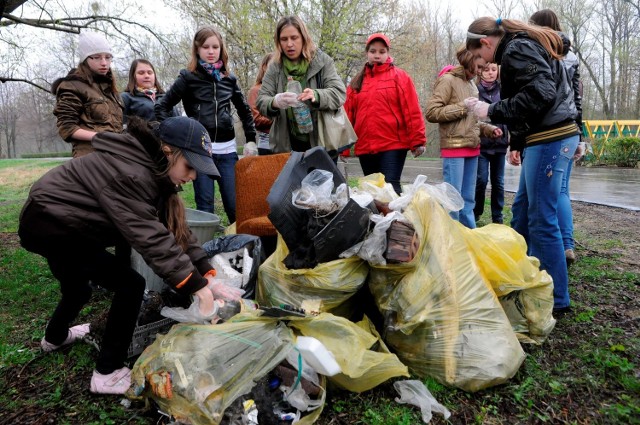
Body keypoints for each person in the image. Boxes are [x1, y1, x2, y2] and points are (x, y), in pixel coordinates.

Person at [18, 116, 221, 395]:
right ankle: (107, 372)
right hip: (54, 224)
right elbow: (152, 238)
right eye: (190, 166)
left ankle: (54, 338)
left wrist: (206, 271)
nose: (193, 176)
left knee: (78, 289)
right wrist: (197, 287)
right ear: (167, 151)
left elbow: (175, 232)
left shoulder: (152, 170)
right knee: (131, 285)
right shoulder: (132, 173)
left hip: (56, 223)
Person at [465, 17, 580, 313]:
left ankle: (555, 299)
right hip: (546, 136)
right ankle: (522, 276)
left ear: (486, 42)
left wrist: (491, 109)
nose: (483, 64)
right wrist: (517, 142)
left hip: (550, 137)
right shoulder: (523, 45)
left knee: (542, 217)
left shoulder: (516, 49)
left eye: (480, 57)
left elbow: (541, 93)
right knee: (523, 212)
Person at [155, 26, 257, 224]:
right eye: (205, 47)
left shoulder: (229, 79)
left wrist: (251, 139)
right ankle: (206, 250)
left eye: (215, 47)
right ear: (197, 49)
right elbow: (162, 105)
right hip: (201, 151)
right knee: (205, 205)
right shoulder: (187, 78)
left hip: (227, 151)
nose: (211, 51)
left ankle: (242, 245)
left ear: (221, 49)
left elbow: (245, 111)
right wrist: (167, 133)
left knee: (234, 204)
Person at [530, 9, 585, 266]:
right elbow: (577, 97)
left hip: (549, 132)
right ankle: (567, 245)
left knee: (546, 196)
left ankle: (553, 249)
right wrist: (579, 134)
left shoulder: (542, 52)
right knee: (562, 191)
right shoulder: (571, 55)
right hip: (570, 131)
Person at [425, 47, 502, 228]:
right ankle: (451, 238)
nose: (482, 70)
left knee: (468, 199)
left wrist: (489, 129)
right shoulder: (447, 80)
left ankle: (468, 236)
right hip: (454, 148)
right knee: (453, 198)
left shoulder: (472, 85)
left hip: (472, 147)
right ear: (470, 60)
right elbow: (432, 112)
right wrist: (462, 106)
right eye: (480, 65)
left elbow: (471, 120)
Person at [343, 33, 426, 195]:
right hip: (366, 146)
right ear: (367, 53)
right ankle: (376, 221)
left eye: (382, 51)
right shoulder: (356, 82)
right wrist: (344, 147)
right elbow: (348, 116)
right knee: (372, 191)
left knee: (390, 188)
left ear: (388, 53)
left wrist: (417, 141)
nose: (377, 55)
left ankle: (395, 220)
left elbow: (411, 110)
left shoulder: (400, 77)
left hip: (393, 144)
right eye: (373, 51)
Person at [256, 15, 347, 153]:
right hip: (288, 144)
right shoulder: (275, 67)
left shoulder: (322, 61)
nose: (289, 44)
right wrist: (275, 101)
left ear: (304, 38)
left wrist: (316, 95)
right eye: (284, 39)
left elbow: (339, 93)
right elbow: (261, 100)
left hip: (322, 141)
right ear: (278, 42)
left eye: (294, 38)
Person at [52, 32, 123, 158]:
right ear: (85, 59)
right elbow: (67, 127)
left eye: (108, 57)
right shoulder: (72, 86)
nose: (104, 62)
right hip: (89, 159)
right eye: (97, 57)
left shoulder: (110, 89)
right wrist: (100, 137)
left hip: (115, 154)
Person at [473, 62, 509, 224]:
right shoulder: (475, 90)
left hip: (500, 144)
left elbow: (509, 114)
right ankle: (476, 212)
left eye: (493, 70)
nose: (490, 73)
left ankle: (497, 216)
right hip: (481, 144)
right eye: (486, 70)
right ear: (480, 71)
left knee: (498, 182)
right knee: (481, 179)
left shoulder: (504, 90)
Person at [122, 59, 177, 124]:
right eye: (141, 73)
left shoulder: (166, 97)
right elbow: (121, 126)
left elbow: (179, 123)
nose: (147, 76)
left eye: (150, 72)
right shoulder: (126, 97)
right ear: (133, 76)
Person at [247, 52, 275, 155]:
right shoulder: (256, 90)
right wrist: (279, 117)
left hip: (286, 143)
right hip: (267, 143)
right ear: (264, 67)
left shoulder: (283, 89)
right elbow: (257, 120)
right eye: (273, 65)